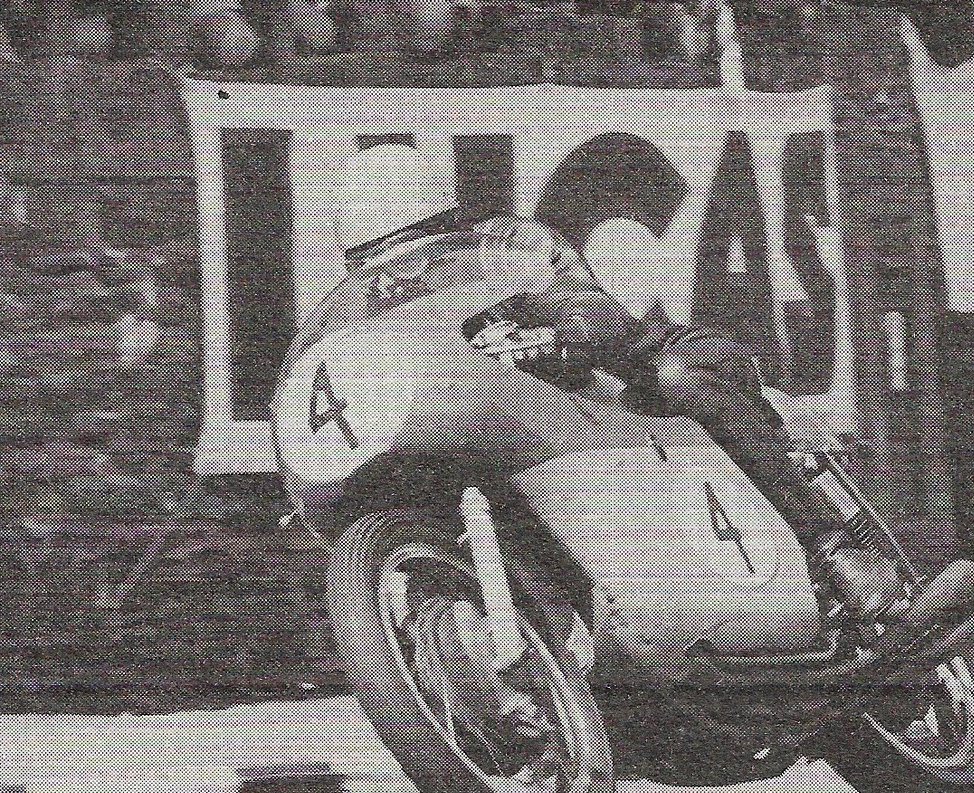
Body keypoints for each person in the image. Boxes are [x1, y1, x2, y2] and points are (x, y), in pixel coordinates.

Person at [357, 207, 909, 618]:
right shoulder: (406, 318)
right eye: (385, 261)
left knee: (680, 377)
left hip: (639, 368)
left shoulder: (505, 253)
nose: (399, 270)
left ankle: (832, 547)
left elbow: (589, 312)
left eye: (406, 248)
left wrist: (554, 335)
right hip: (552, 419)